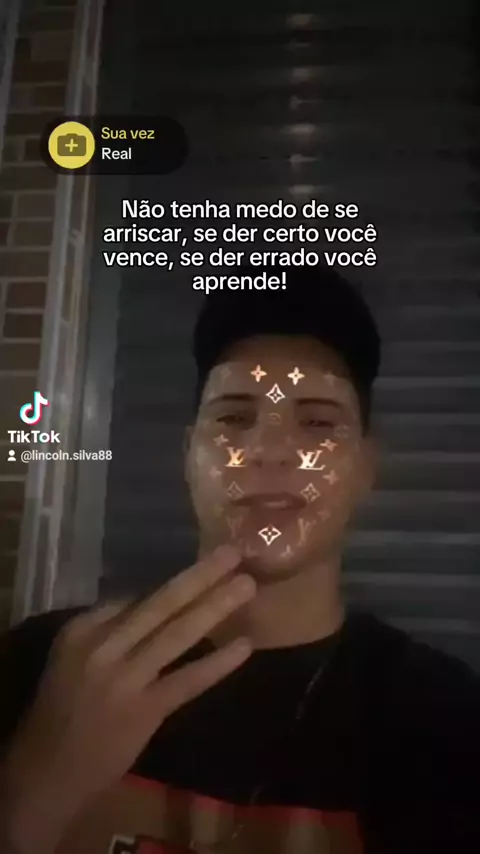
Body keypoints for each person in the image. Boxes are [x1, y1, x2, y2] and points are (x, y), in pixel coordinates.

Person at [0, 265, 478, 854]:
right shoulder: (44, 668)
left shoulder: (444, 722)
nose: (269, 450)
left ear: (365, 469)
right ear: (189, 455)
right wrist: (29, 801)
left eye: (317, 422)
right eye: (232, 417)